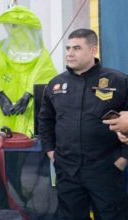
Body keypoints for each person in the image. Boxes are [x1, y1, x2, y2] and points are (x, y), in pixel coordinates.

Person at [38, 28, 128, 220]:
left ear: (93, 50)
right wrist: (51, 151)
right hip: (68, 170)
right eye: (68, 48)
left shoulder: (119, 81)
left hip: (105, 169)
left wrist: (123, 159)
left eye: (77, 48)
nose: (70, 53)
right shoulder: (55, 84)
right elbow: (45, 121)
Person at [0, 5, 57, 208]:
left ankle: (17, 194)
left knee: (18, 161)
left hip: (27, 114)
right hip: (3, 114)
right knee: (0, 157)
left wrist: (28, 95)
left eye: (17, 26)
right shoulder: (1, 48)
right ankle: (3, 200)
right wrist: (1, 96)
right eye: (11, 26)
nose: (13, 29)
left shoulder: (40, 52)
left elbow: (45, 76)